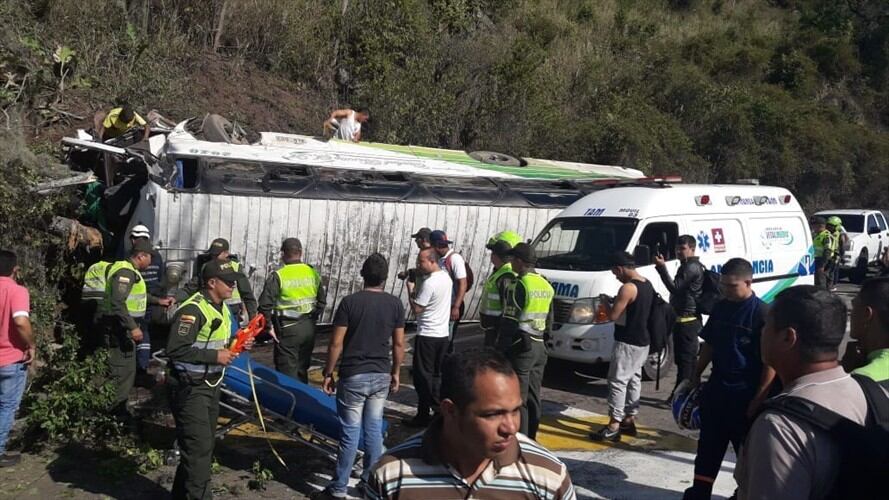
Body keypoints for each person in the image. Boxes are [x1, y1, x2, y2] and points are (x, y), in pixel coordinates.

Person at [366, 348, 576, 499]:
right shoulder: (392, 475)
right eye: (493, 414)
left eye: (515, 411)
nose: (511, 427)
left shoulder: (548, 475)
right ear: (450, 410)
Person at [734, 286, 867, 498]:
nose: (761, 332)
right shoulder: (865, 392)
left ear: (788, 338)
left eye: (767, 325)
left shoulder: (779, 427)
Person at [683, 258, 775, 500]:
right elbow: (710, 344)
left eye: (732, 286)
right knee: (708, 448)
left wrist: (759, 399)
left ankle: (742, 493)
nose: (726, 290)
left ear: (748, 282)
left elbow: (770, 363)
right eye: (723, 285)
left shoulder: (762, 314)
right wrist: (694, 375)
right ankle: (700, 492)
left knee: (746, 453)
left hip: (745, 396)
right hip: (717, 390)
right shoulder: (721, 307)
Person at [316, 253, 406, 499]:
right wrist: (395, 372)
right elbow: (399, 344)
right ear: (385, 278)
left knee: (350, 432)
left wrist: (328, 373)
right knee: (374, 429)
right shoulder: (395, 304)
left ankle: (339, 486)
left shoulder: (349, 303)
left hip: (353, 375)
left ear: (362, 275)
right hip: (380, 374)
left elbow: (336, 344)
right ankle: (370, 483)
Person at [166, 260, 252, 500]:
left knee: (200, 448)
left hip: (210, 385)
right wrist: (216, 355)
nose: (233, 285)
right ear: (212, 282)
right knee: (198, 450)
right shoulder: (192, 310)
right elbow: (175, 349)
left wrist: (237, 342)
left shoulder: (222, 306)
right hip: (190, 387)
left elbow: (216, 339)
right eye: (228, 282)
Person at [590, 252, 654, 442]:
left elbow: (613, 316)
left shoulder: (627, 288)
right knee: (634, 378)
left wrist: (604, 303)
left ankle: (614, 424)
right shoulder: (646, 284)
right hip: (643, 341)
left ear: (620, 268)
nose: (615, 276)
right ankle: (629, 418)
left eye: (615, 273)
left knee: (617, 381)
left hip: (627, 341)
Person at [499, 243, 554, 440]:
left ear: (520, 261)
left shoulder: (519, 284)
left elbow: (510, 320)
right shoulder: (545, 284)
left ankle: (522, 442)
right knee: (533, 396)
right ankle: (532, 437)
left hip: (522, 347)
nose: (511, 263)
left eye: (513, 259)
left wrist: (501, 349)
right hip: (539, 345)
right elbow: (550, 320)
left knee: (519, 399)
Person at [258, 238, 326, 382]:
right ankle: (303, 400)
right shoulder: (312, 272)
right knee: (302, 369)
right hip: (308, 328)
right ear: (300, 253)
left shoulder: (279, 276)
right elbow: (322, 301)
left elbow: (265, 305)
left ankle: (290, 402)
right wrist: (313, 319)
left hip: (287, 329)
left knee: (287, 372)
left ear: (283, 254)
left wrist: (268, 327)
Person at [100, 239, 153, 416]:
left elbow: (137, 296)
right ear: (140, 256)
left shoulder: (130, 271)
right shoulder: (126, 272)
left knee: (124, 370)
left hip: (122, 328)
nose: (151, 262)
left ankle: (115, 410)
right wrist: (133, 327)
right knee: (123, 372)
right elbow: (117, 302)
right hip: (120, 329)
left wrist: (159, 301)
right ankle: (115, 414)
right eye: (149, 257)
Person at [404, 247, 452, 427]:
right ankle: (429, 412)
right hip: (442, 335)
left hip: (428, 335)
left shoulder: (430, 283)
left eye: (421, 261)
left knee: (422, 377)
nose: (418, 265)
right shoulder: (446, 278)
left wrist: (410, 289)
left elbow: (417, 309)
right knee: (436, 375)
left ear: (432, 261)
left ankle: (429, 411)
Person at [655, 234, 704, 390]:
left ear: (692, 249)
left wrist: (662, 268)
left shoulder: (691, 267)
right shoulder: (686, 265)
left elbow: (675, 287)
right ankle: (686, 391)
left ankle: (681, 393)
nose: (679, 251)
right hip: (682, 319)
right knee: (684, 361)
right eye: (677, 248)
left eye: (682, 248)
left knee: (686, 361)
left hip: (688, 321)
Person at [0, 251, 35, 467]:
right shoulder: (16, 290)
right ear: (15, 269)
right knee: (6, 407)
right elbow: (21, 321)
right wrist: (31, 345)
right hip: (10, 359)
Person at [129, 225, 173, 385]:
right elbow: (162, 279)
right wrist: (160, 298)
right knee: (145, 334)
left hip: (136, 304)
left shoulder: (130, 258)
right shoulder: (157, 256)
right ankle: (141, 368)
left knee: (140, 334)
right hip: (151, 300)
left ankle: (138, 370)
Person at [187, 238, 258, 332]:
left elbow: (247, 293)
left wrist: (253, 318)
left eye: (216, 254)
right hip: (210, 307)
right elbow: (193, 286)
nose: (213, 257)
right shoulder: (206, 266)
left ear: (226, 253)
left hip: (231, 309)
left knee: (231, 335)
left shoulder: (235, 266)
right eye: (212, 254)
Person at [430, 230, 467, 351]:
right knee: (441, 339)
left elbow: (463, 284)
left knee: (447, 341)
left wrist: (456, 306)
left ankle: (447, 364)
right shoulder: (440, 260)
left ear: (436, 246)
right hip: (443, 307)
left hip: (452, 307)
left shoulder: (454, 259)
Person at [847, 277, 889, 382]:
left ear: (866, 314)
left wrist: (846, 374)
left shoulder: (861, 379)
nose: (850, 315)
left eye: (854, 306)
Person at [480, 235, 518, 347]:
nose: (491, 256)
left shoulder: (506, 275)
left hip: (497, 327)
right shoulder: (499, 271)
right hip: (492, 326)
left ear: (497, 256)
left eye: (492, 253)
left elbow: (507, 307)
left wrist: (501, 333)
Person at [810, 216, 834, 291]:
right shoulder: (817, 235)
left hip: (822, 261)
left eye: (814, 226)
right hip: (816, 260)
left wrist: (823, 265)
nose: (813, 228)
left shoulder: (826, 236)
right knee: (816, 281)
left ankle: (822, 296)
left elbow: (828, 251)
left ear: (820, 226)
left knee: (821, 281)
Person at [826, 216, 847, 290]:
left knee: (832, 271)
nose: (829, 227)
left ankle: (831, 286)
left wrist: (842, 256)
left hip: (835, 255)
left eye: (831, 226)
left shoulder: (840, 234)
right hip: (827, 254)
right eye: (828, 225)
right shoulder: (826, 233)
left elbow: (842, 246)